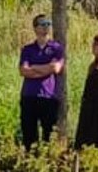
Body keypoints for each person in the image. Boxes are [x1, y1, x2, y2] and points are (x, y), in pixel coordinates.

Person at [18, 15, 65, 149]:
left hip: (48, 97)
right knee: (29, 136)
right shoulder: (27, 49)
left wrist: (34, 67)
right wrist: (46, 68)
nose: (46, 27)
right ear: (35, 28)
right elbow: (23, 71)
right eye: (43, 24)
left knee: (48, 136)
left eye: (48, 24)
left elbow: (55, 68)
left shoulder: (56, 48)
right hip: (29, 96)